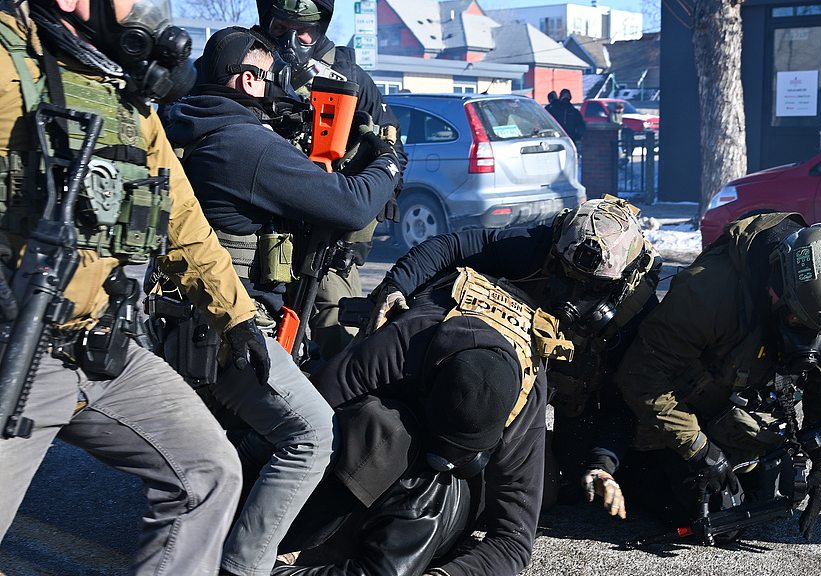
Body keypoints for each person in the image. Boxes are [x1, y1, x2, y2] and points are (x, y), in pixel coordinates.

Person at [0, 1, 270, 574]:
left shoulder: (122, 91)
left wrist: (235, 314)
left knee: (207, 472)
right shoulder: (7, 64)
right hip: (15, 350)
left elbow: (178, 215)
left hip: (104, 347)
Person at [155, 26, 400, 576]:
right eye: (268, 78)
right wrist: (387, 158)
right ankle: (245, 566)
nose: (277, 90)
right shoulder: (242, 146)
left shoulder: (184, 124)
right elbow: (350, 204)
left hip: (175, 320)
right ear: (244, 79)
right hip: (223, 329)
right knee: (311, 433)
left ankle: (218, 533)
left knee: (233, 443)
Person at [367, 197, 661, 521]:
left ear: (621, 285)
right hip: (504, 370)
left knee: (559, 492)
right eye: (566, 275)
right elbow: (449, 247)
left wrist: (603, 464)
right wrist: (397, 286)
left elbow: (624, 398)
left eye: (591, 287)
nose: (572, 295)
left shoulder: (636, 309)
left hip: (573, 399)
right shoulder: (537, 247)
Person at [267, 268, 549, 576]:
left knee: (432, 491)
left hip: (445, 502)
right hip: (383, 435)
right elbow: (299, 427)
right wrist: (283, 528)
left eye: (460, 452)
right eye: (444, 445)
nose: (442, 461)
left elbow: (513, 540)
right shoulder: (405, 342)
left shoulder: (526, 396)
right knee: (375, 425)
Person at [615, 212, 821, 540]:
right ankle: (631, 468)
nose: (808, 333)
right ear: (778, 282)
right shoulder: (709, 290)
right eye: (796, 320)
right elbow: (641, 373)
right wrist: (698, 449)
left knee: (768, 501)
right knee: (715, 520)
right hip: (680, 419)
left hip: (743, 423)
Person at [255, 0, 407, 359]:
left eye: (303, 29)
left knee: (344, 341)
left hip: (327, 238)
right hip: (253, 227)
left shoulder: (348, 75)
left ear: (322, 25)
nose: (292, 40)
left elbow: (391, 152)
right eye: (280, 28)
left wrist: (360, 225)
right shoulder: (245, 58)